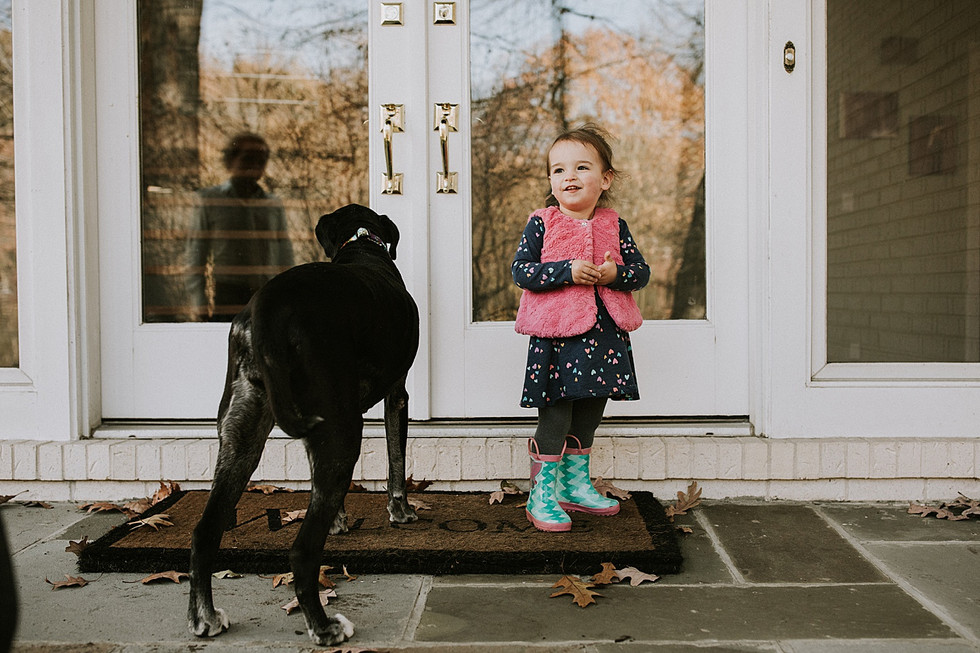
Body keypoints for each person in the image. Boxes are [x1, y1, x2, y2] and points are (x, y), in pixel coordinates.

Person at [512, 124, 650, 532]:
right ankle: (542, 495)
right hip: (557, 338)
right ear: (551, 181)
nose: (568, 176)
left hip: (603, 338)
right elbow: (523, 272)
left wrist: (614, 274)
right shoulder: (542, 223)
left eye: (581, 167)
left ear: (605, 179)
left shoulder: (614, 224)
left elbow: (640, 272)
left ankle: (573, 486)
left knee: (589, 414)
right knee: (556, 417)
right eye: (558, 170)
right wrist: (566, 271)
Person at [185, 132, 295, 321]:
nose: (254, 166)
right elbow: (195, 256)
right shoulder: (210, 200)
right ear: (230, 161)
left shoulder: (272, 205)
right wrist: (199, 305)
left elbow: (284, 254)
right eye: (248, 159)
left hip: (265, 294)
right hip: (228, 295)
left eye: (261, 161)